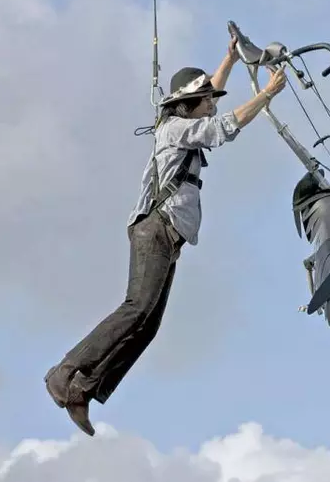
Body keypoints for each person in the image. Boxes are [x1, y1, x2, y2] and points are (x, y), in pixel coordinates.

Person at [44, 35, 288, 436]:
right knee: (136, 308)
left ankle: (82, 391)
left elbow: (208, 99)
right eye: (207, 99)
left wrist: (227, 59)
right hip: (154, 227)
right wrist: (266, 95)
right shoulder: (176, 128)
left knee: (148, 324)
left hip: (168, 234)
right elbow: (224, 127)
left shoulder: (186, 120)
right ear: (188, 105)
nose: (213, 102)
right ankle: (65, 372)